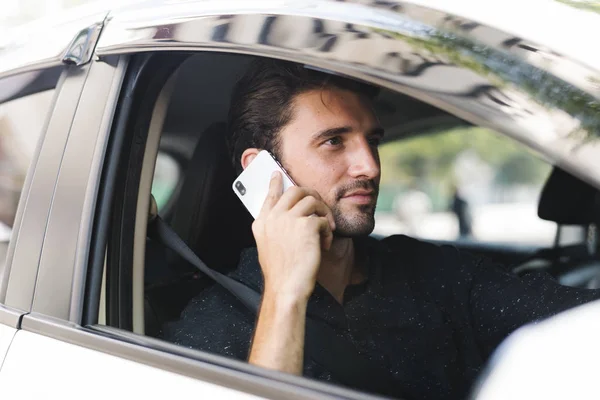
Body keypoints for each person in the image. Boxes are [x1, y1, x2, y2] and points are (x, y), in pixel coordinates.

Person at [163, 59, 600, 400]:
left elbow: (579, 322)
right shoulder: (210, 325)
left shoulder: (434, 272)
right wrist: (285, 295)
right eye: (334, 141)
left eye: (372, 140)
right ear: (262, 170)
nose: (370, 166)